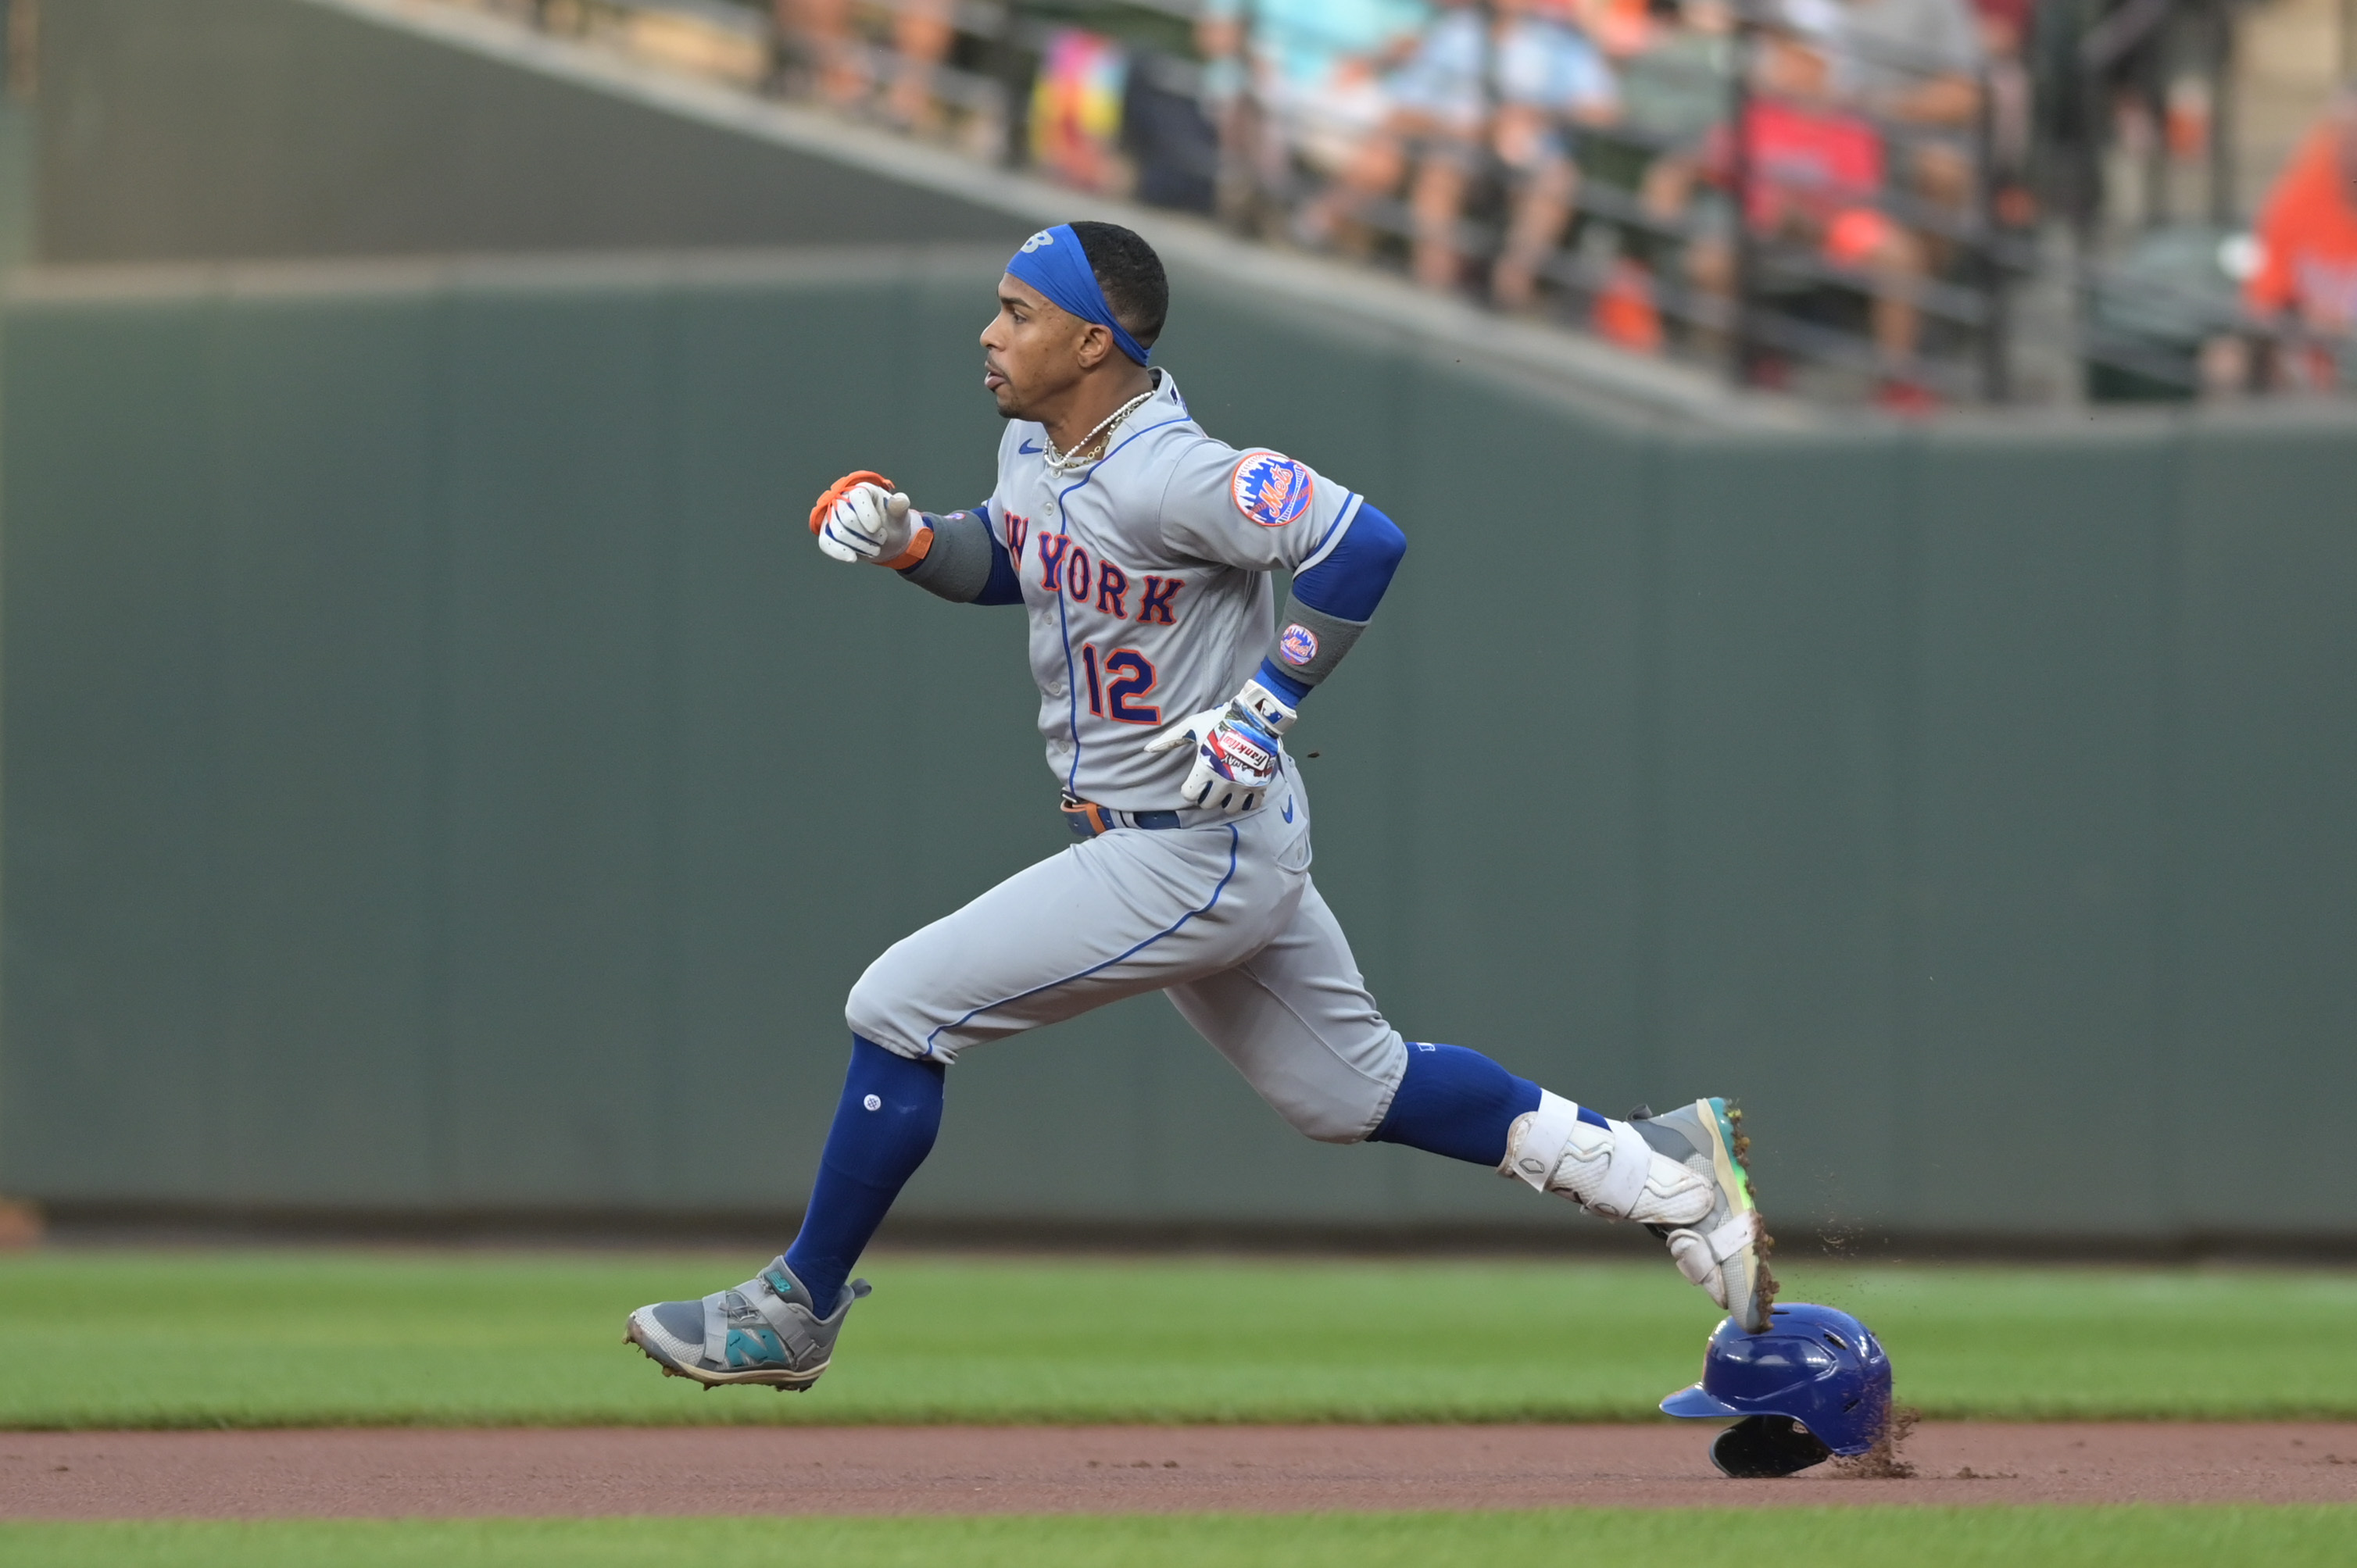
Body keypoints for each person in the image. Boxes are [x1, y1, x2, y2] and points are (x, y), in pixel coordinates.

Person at [624, 221, 1776, 1391]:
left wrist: (1269, 699)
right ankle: (1662, 1170)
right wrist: (917, 542)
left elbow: (1359, 540)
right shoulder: (1042, 446)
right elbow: (1021, 558)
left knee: (900, 1006)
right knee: (1351, 1088)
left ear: (1091, 340)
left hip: (1187, 848)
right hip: (1195, 842)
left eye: (1019, 311)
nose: (991, 330)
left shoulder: (1172, 467)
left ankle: (796, 1305)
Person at [2242, 84, 2357, 389]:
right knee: (2227, 360)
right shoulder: (2296, 201)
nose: (2351, 149)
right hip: (2311, 367)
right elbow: (2262, 304)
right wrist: (2304, 318)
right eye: (2344, 137)